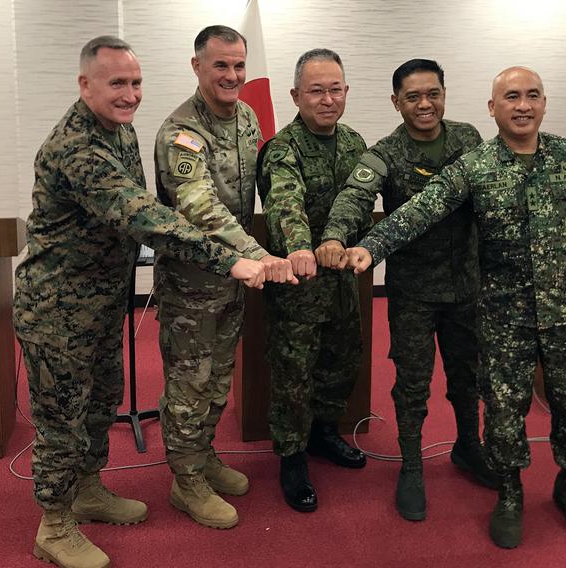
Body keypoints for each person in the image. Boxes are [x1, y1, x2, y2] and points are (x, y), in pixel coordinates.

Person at [14, 36, 267, 568]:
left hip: (103, 301)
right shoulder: (79, 148)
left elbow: (144, 209)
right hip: (57, 312)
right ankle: (54, 527)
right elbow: (146, 217)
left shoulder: (120, 132)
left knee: (100, 403)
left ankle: (86, 489)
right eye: (116, 84)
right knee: (63, 419)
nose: (130, 95)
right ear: (85, 85)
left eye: (135, 83)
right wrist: (231, 259)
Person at [345, 67, 566, 548]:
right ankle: (509, 495)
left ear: (543, 102)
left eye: (532, 95)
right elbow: (421, 208)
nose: (522, 105)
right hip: (503, 315)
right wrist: (373, 247)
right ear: (492, 108)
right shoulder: (476, 165)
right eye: (510, 97)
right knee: (504, 412)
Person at [317, 59, 496, 522]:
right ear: (396, 102)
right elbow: (355, 196)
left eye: (433, 93)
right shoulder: (385, 152)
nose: (425, 104)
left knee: (467, 375)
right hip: (414, 291)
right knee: (413, 384)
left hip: (466, 286)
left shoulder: (468, 139)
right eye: (413, 96)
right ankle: (412, 465)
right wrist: (335, 236)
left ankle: (468, 447)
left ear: (444, 94)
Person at [153, 25, 295, 530]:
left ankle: (204, 455)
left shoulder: (248, 118)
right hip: (193, 286)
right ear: (197, 67)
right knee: (189, 383)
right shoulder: (181, 133)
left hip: (237, 280)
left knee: (218, 378)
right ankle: (185, 481)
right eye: (221, 66)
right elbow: (201, 209)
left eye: (239, 65)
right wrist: (260, 254)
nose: (233, 75)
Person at [257, 48, 368, 514]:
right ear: (295, 95)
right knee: (294, 373)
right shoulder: (282, 148)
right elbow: (285, 202)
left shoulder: (355, 142)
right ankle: (291, 456)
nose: (327, 99)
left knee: (341, 360)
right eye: (316, 90)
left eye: (335, 89)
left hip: (343, 281)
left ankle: (324, 434)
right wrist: (300, 246)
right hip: (300, 283)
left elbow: (363, 197)